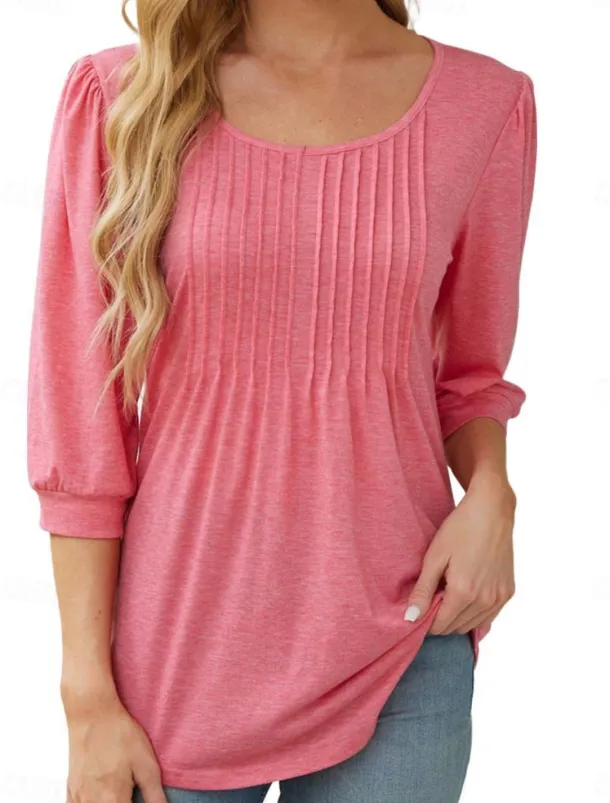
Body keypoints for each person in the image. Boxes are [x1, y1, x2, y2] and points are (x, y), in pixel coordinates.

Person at [26, 0, 537, 801]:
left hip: (402, 635)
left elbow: (469, 372)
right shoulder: (121, 93)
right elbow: (79, 424)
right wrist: (85, 693)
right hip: (177, 657)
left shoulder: (483, 104)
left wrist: (492, 492)